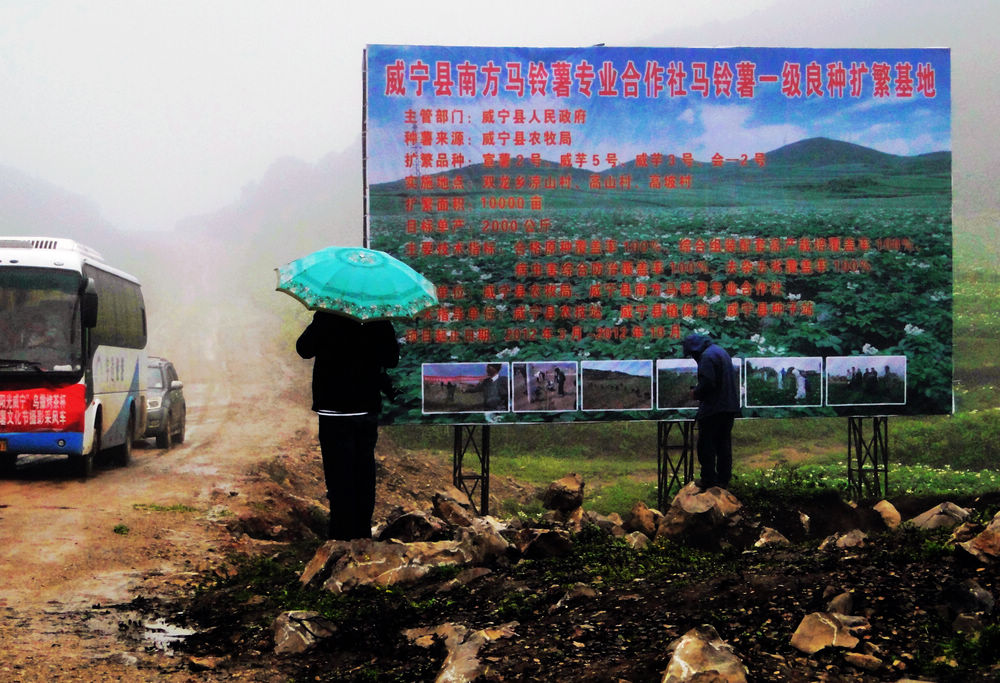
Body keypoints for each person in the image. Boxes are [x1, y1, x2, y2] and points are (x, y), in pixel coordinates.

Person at [296, 310, 399, 541]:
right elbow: (391, 359)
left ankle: (339, 535)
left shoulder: (327, 315)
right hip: (364, 407)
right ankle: (361, 534)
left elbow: (303, 348)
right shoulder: (378, 318)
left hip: (333, 409)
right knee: (363, 470)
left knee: (337, 472)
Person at [682, 333, 741, 490]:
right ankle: (723, 480)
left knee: (706, 446)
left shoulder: (707, 357)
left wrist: (696, 393)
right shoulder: (720, 351)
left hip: (714, 409)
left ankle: (708, 479)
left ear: (695, 349)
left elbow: (708, 383)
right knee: (723, 445)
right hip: (728, 408)